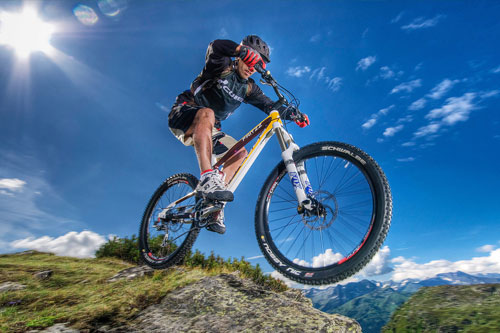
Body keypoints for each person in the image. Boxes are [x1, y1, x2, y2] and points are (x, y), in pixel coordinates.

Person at [168, 35, 309, 234]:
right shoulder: (221, 65)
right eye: (251, 58)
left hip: (209, 129)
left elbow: (269, 106)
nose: (252, 66)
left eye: (258, 63)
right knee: (207, 113)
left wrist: (294, 115)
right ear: (241, 55)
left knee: (240, 153)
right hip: (183, 113)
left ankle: (213, 205)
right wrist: (239, 50)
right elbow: (215, 46)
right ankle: (207, 177)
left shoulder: (249, 88)